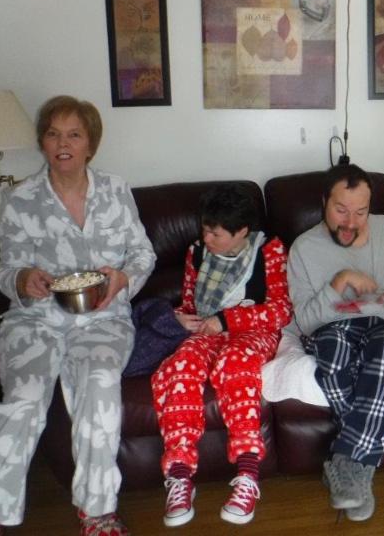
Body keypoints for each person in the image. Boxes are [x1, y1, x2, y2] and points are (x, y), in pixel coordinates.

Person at [0, 96, 156, 536]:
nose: (63, 144)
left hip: (102, 317)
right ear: (42, 142)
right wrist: (23, 279)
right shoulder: (20, 199)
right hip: (35, 320)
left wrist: (122, 278)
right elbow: (6, 270)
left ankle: (97, 512)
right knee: (23, 398)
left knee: (99, 387)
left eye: (74, 135)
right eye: (53, 134)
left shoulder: (115, 190)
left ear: (90, 144)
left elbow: (143, 253)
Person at [286, 164, 384, 522]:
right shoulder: (303, 248)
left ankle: (347, 464)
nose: (351, 223)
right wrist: (341, 280)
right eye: (341, 210)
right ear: (323, 202)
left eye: (361, 212)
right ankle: (360, 469)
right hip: (332, 325)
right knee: (333, 359)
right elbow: (306, 321)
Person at [151, 183, 291, 528]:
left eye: (216, 233)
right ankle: (180, 476)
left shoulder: (269, 251)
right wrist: (180, 318)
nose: (207, 238)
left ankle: (247, 475)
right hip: (205, 330)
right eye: (205, 229)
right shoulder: (196, 252)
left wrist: (227, 320)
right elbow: (189, 303)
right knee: (180, 366)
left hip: (252, 332)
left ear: (241, 231)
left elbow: (280, 310)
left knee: (235, 364)